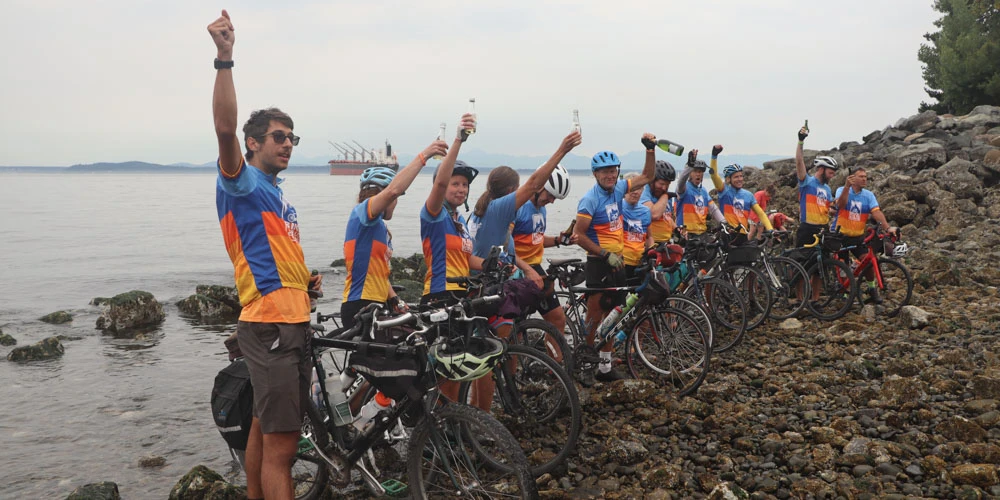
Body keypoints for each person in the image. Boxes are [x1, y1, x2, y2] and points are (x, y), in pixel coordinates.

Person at [208, 10, 320, 500]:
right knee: (284, 447)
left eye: (293, 137)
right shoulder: (242, 181)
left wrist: (304, 281)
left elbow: (274, 251)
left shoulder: (276, 192)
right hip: (270, 324)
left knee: (262, 425)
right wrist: (225, 59)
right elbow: (225, 130)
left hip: (289, 316)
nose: (288, 144)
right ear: (254, 143)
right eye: (279, 137)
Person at [572, 134, 657, 384]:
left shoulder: (619, 188)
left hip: (617, 262)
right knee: (594, 316)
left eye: (613, 171)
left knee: (613, 316)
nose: (610, 175)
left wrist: (650, 150)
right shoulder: (590, 199)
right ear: (595, 174)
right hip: (599, 263)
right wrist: (604, 254)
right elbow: (578, 235)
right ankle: (586, 365)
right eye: (604, 172)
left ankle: (605, 367)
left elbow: (647, 176)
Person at [341, 139, 448, 328]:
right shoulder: (362, 214)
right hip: (360, 304)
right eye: (396, 199)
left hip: (377, 303)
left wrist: (395, 299)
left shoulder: (378, 227)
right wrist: (424, 156)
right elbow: (394, 190)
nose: (396, 202)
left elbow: (379, 275)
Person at [467, 131, 582, 289]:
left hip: (485, 276)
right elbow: (533, 184)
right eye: (517, 190)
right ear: (510, 191)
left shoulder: (484, 208)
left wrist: (557, 241)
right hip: (487, 282)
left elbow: (502, 248)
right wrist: (563, 150)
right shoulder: (498, 209)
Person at [511, 164, 578, 338]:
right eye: (550, 195)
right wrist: (525, 269)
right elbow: (504, 245)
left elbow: (536, 239)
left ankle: (554, 365)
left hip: (536, 268)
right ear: (539, 185)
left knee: (557, 319)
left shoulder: (541, 209)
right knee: (516, 325)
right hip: (516, 269)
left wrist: (558, 240)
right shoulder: (518, 206)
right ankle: (515, 363)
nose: (552, 201)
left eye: (555, 198)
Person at [420, 116, 480, 308]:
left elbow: (466, 259)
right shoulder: (435, 214)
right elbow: (440, 183)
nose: (461, 189)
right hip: (439, 294)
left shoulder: (460, 220)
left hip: (461, 294)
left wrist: (491, 264)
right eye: (455, 184)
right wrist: (458, 140)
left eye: (465, 185)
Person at [832, 165, 896, 303]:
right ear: (852, 178)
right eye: (861, 177)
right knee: (843, 263)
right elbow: (840, 205)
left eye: (865, 177)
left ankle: (872, 289)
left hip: (858, 236)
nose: (864, 179)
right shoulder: (841, 190)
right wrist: (846, 187)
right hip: (840, 234)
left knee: (868, 261)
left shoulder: (868, 195)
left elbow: (876, 212)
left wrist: (887, 227)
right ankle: (843, 291)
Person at [707, 146, 773, 236]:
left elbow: (761, 213)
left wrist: (771, 230)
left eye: (741, 176)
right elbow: (714, 176)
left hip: (742, 235)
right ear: (728, 179)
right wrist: (714, 156)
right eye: (736, 177)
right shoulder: (724, 191)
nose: (740, 179)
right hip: (727, 234)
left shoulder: (748, 195)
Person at [794, 125, 837, 248]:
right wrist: (801, 141)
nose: (832, 176)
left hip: (823, 228)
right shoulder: (806, 181)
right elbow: (799, 161)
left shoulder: (827, 189)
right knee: (803, 264)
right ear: (821, 169)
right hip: (808, 228)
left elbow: (829, 209)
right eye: (830, 173)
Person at [675, 149, 726, 237]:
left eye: (701, 172)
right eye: (695, 171)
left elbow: (714, 209)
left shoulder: (704, 191)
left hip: (702, 234)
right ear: (689, 173)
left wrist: (724, 223)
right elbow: (681, 182)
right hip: (686, 234)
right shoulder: (684, 188)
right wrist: (689, 166)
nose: (698, 174)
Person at [622, 172, 658, 282]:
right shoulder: (618, 207)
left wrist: (652, 252)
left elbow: (649, 237)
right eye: (633, 188)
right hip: (622, 263)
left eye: (639, 188)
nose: (635, 192)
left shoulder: (645, 211)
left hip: (639, 263)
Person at [639, 160, 677, 244]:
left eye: (668, 184)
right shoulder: (643, 192)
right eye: (661, 184)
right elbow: (654, 214)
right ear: (652, 180)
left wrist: (677, 229)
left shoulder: (664, 194)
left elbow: (667, 217)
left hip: (666, 242)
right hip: (649, 244)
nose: (664, 188)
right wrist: (666, 196)